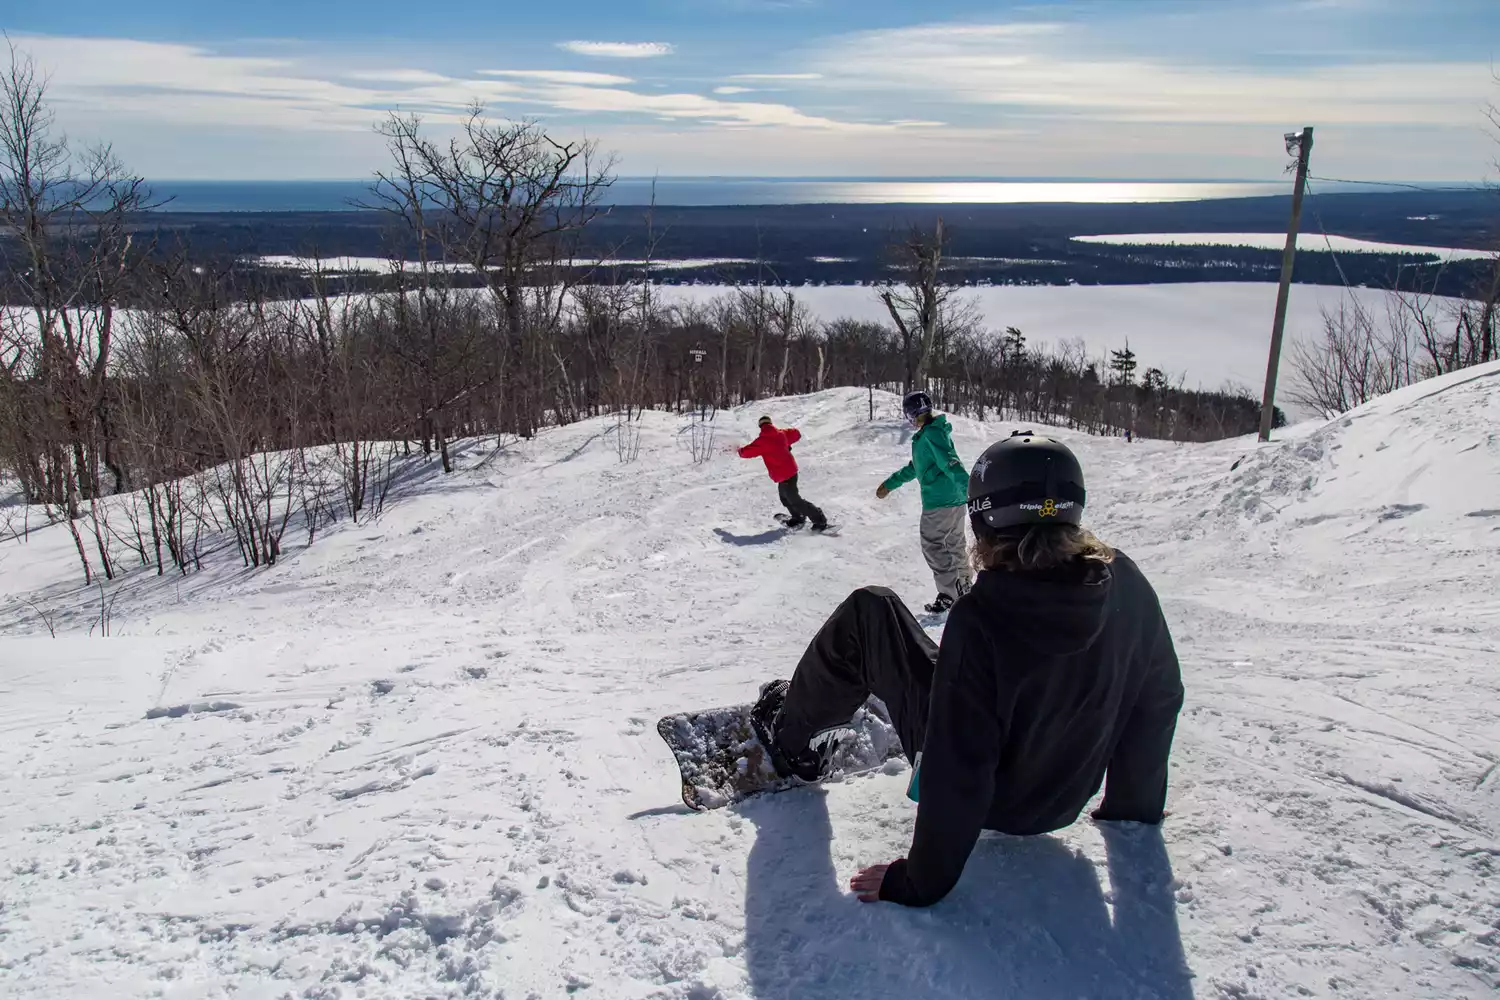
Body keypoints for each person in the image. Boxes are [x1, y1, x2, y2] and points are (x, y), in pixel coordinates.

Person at [750, 430, 1184, 908]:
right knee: (904, 630)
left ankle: (792, 745)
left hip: (997, 802)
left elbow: (960, 763)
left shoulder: (983, 617)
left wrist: (919, 881)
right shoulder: (1125, 579)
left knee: (869, 611)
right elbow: (1159, 695)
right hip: (1063, 796)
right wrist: (1133, 805)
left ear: (984, 520)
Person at [876, 391, 972, 613]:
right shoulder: (930, 434)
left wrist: (971, 489)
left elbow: (950, 463)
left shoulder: (931, 435)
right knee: (954, 542)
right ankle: (964, 584)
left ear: (911, 414)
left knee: (933, 544)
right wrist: (890, 484)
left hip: (941, 501)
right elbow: (916, 467)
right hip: (953, 499)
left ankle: (950, 594)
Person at [738, 415, 830, 532]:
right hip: (789, 473)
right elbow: (797, 434)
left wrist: (738, 450)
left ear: (761, 426)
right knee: (785, 498)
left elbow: (746, 453)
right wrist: (785, 443)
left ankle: (820, 520)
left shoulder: (762, 441)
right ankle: (798, 517)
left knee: (795, 500)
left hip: (785, 475)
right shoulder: (782, 434)